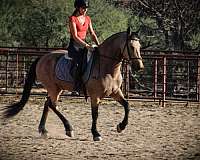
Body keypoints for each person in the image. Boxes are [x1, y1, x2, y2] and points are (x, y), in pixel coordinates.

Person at [67, 0, 99, 95]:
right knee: (78, 63)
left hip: (84, 45)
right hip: (75, 46)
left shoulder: (87, 19)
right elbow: (75, 36)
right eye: (83, 8)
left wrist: (99, 45)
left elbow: (92, 34)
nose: (85, 10)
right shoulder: (72, 19)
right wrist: (86, 45)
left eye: (86, 8)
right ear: (78, 8)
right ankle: (76, 87)